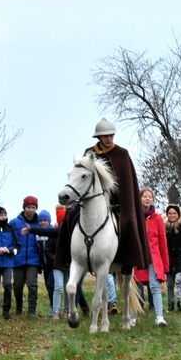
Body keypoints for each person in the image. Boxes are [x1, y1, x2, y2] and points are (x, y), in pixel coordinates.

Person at [55, 118, 150, 277]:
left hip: (116, 201)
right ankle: (67, 256)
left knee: (128, 222)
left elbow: (126, 184)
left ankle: (127, 261)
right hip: (91, 198)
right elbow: (81, 177)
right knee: (70, 216)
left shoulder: (122, 154)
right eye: (105, 136)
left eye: (111, 135)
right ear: (98, 137)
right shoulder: (89, 153)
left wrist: (118, 199)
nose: (108, 139)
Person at [134, 188, 169, 327]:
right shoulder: (135, 217)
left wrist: (165, 265)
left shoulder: (158, 218)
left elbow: (162, 240)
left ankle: (159, 316)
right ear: (140, 198)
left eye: (150, 197)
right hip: (137, 257)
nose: (147, 199)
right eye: (145, 196)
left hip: (153, 258)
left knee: (154, 287)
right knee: (135, 288)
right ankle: (132, 316)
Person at [9, 196, 42, 317]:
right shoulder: (14, 223)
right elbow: (9, 240)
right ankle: (18, 307)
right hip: (18, 260)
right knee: (17, 286)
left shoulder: (39, 223)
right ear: (24, 208)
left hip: (33, 261)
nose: (31, 210)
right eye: (28, 207)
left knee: (32, 285)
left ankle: (32, 310)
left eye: (33, 207)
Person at [164, 204, 181, 312]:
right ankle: (170, 303)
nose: (172, 215)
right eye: (170, 213)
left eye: (174, 213)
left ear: (178, 214)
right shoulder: (165, 227)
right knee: (169, 283)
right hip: (169, 258)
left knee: (179, 279)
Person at [36, 209, 56, 315]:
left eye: (45, 220)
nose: (43, 222)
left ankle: (55, 308)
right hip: (44, 265)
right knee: (49, 287)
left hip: (53, 264)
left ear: (49, 221)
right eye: (41, 220)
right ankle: (53, 306)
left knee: (51, 285)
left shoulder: (53, 232)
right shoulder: (37, 234)